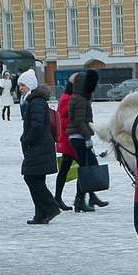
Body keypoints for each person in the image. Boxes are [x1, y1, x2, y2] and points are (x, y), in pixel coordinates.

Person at [18, 69, 59, 225]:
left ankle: (51, 207)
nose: (20, 88)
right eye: (19, 85)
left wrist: (26, 140)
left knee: (31, 178)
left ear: (30, 85)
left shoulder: (35, 102)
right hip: (41, 146)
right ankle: (40, 215)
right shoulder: (34, 101)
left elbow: (36, 126)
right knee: (37, 179)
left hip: (38, 146)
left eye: (22, 85)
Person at [66, 69, 108, 212]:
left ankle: (90, 197)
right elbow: (79, 121)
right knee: (85, 169)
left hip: (78, 136)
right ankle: (79, 201)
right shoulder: (80, 99)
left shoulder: (78, 98)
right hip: (79, 137)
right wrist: (87, 137)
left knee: (88, 167)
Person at [52, 77, 76, 211]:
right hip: (69, 139)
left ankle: (58, 197)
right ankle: (83, 197)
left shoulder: (66, 97)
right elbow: (63, 119)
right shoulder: (67, 99)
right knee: (83, 167)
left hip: (69, 138)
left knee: (65, 170)